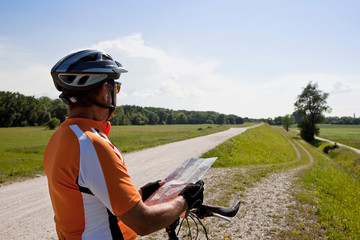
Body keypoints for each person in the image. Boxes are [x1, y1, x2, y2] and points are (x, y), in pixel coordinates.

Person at [43, 49, 204, 240]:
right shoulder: (92, 144)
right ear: (105, 91)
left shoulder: (62, 136)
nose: (115, 94)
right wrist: (184, 200)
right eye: (115, 88)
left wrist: (141, 194)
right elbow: (144, 222)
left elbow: (90, 201)